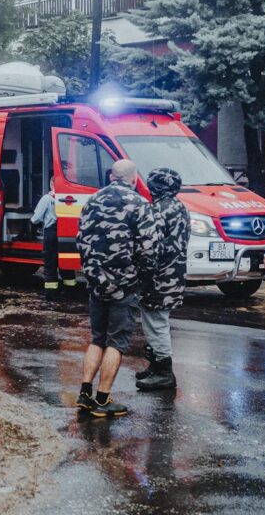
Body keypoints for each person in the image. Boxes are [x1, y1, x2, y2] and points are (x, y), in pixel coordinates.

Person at [74, 159, 158, 418]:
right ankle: (102, 400)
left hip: (96, 282)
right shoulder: (139, 204)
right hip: (124, 283)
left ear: (111, 176)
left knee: (97, 339)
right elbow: (149, 249)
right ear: (134, 178)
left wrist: (92, 272)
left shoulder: (92, 201)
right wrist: (142, 279)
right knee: (116, 342)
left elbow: (81, 240)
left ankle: (85, 394)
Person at [135, 168, 189, 392]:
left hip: (159, 275)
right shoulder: (180, 207)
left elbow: (151, 246)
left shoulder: (157, 209)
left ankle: (164, 373)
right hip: (175, 272)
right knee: (157, 320)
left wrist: (141, 274)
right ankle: (156, 366)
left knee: (155, 322)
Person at [31, 177, 76, 299]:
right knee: (65, 262)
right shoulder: (67, 198)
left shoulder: (47, 198)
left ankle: (51, 293)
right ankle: (70, 291)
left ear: (51, 184)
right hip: (64, 232)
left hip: (50, 232)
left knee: (50, 263)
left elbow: (36, 219)